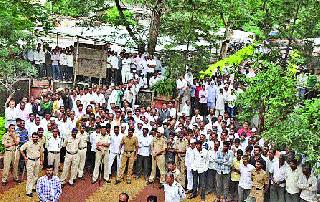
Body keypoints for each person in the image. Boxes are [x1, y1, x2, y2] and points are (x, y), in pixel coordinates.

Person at [20, 132, 43, 197]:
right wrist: (25, 157)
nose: (35, 138)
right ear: (32, 137)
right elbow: (21, 149)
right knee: (30, 176)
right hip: (30, 161)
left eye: (36, 137)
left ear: (38, 137)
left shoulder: (39, 144)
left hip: (37, 161)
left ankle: (33, 187)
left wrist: (41, 160)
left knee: (36, 175)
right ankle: (28, 191)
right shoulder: (28, 143)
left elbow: (41, 152)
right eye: (34, 137)